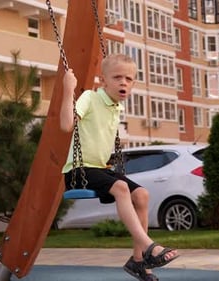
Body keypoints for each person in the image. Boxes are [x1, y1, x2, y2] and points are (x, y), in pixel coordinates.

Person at [60, 54, 179, 281]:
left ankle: (138, 262)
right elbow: (66, 125)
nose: (123, 82)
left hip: (100, 168)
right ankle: (148, 246)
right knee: (121, 189)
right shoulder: (90, 97)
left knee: (142, 195)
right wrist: (68, 89)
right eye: (117, 77)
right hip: (79, 170)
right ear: (103, 80)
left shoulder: (116, 107)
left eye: (129, 79)